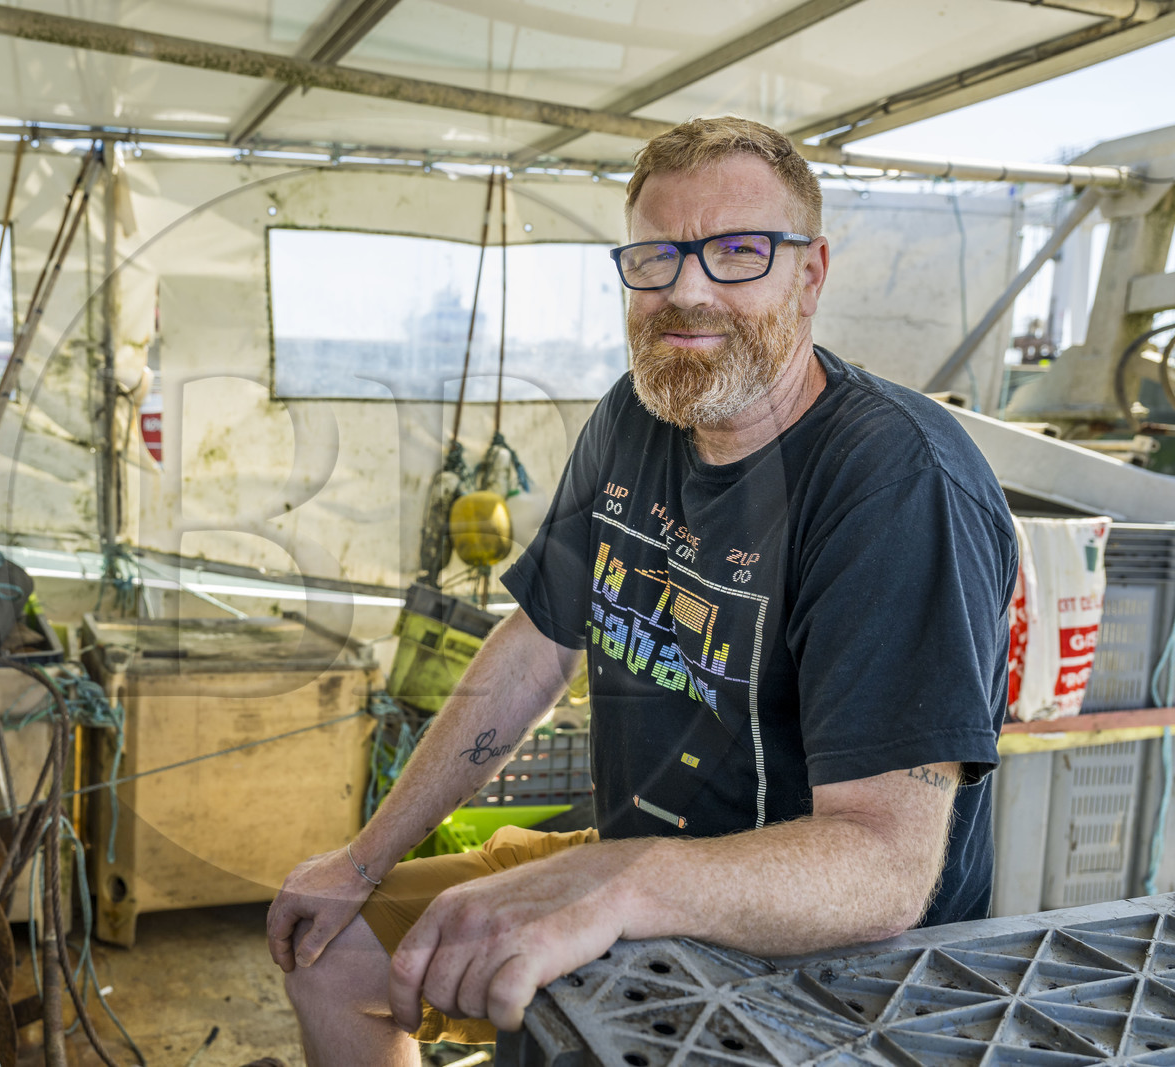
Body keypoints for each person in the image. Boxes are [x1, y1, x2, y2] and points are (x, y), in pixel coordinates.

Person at [268, 115, 1016, 1066]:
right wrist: (365, 856)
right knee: (332, 958)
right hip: (633, 875)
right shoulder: (637, 415)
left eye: (738, 252)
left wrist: (616, 883)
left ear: (811, 273)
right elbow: (534, 651)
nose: (687, 290)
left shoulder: (893, 481)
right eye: (656, 257)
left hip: (834, 974)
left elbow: (885, 869)